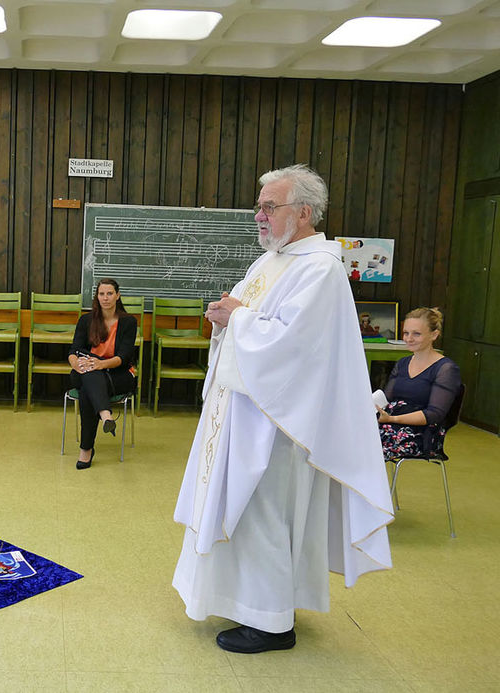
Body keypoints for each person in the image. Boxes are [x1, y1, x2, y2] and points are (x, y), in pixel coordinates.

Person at [172, 164, 393, 654]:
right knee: (241, 512)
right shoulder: (270, 261)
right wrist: (226, 317)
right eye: (260, 207)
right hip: (243, 414)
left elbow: (295, 346)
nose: (260, 216)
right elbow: (249, 319)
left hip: (277, 423)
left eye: (270, 207)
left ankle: (272, 623)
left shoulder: (320, 268)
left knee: (265, 514)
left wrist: (239, 318)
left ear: (304, 212)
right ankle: (243, 601)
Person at [67, 278, 137, 470]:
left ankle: (86, 451)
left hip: (118, 374)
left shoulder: (128, 322)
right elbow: (74, 351)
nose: (105, 298)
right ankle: (105, 415)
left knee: (87, 391)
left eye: (109, 293)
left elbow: (124, 357)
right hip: (87, 371)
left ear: (118, 295)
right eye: (101, 294)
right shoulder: (86, 320)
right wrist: (77, 366)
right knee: (89, 376)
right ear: (97, 297)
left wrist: (99, 364)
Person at [377, 307, 461, 460]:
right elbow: (385, 399)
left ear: (434, 335)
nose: (409, 338)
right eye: (406, 333)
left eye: (416, 334)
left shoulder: (446, 369)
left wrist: (391, 419)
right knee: (347, 436)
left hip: (423, 433)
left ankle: (369, 484)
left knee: (366, 445)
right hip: (390, 423)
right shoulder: (402, 363)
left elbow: (434, 414)